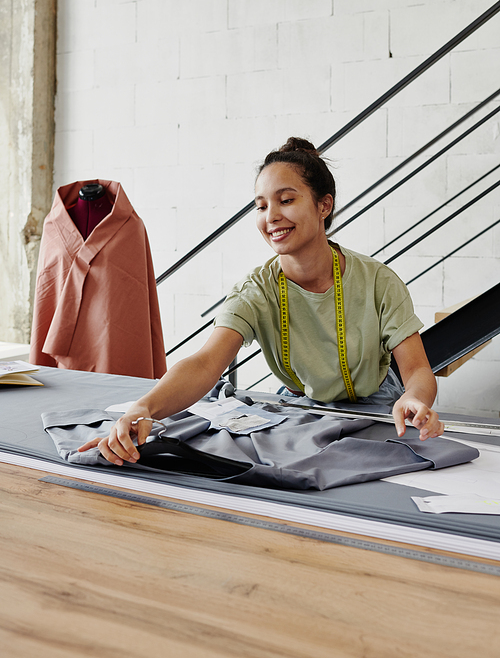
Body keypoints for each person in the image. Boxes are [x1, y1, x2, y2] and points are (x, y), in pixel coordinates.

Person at [79, 137, 443, 466]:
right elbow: (206, 364)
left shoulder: (378, 281)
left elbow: (416, 370)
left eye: (286, 200)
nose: (271, 217)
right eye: (260, 206)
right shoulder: (256, 290)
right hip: (301, 409)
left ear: (323, 206)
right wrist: (144, 408)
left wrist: (415, 400)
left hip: (380, 411)